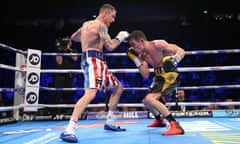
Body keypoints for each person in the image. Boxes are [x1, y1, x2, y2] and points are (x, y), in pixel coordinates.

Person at [60, 4, 129, 143]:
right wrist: (120, 37)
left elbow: (74, 37)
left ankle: (110, 122)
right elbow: (110, 46)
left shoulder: (86, 24)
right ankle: (69, 129)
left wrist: (88, 38)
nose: (113, 20)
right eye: (112, 16)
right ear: (105, 14)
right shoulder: (101, 26)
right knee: (90, 93)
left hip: (95, 60)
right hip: (94, 61)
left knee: (118, 88)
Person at [127, 30, 185, 135]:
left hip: (169, 75)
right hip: (158, 78)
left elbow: (181, 50)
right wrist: (136, 60)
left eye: (133, 45)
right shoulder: (142, 55)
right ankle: (159, 120)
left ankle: (175, 125)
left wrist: (174, 60)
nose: (133, 48)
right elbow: (145, 74)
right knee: (146, 101)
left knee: (150, 99)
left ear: (141, 41)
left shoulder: (158, 45)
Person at [53, 36, 78, 114]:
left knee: (67, 93)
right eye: (69, 41)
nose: (71, 43)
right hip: (60, 75)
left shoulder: (73, 51)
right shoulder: (59, 51)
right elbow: (59, 62)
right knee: (57, 93)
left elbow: (75, 59)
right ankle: (55, 111)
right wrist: (60, 50)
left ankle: (66, 110)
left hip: (69, 75)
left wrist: (68, 50)